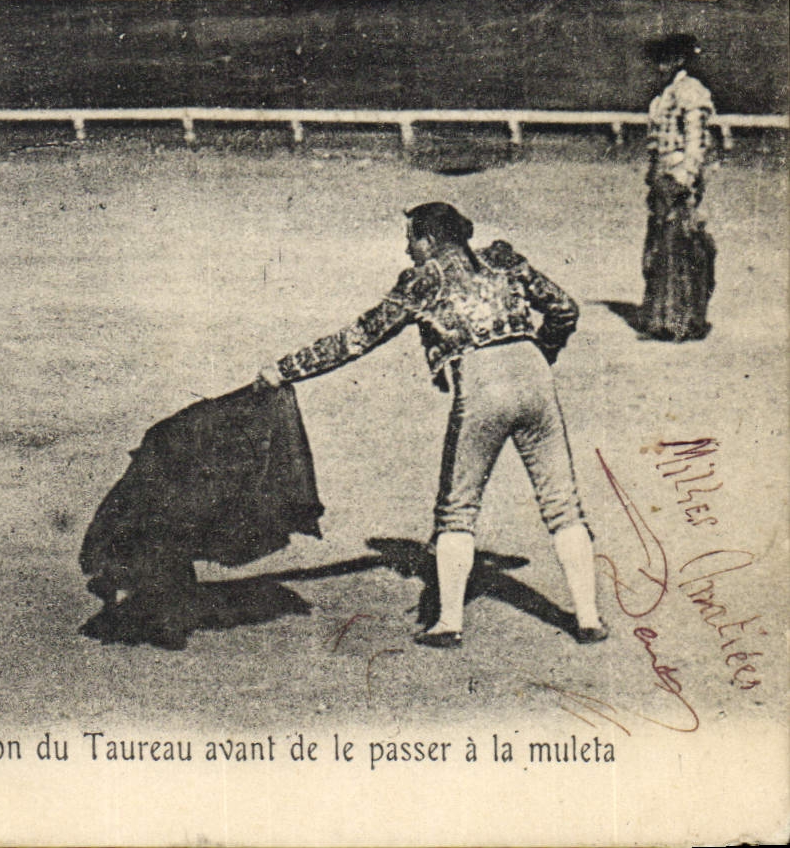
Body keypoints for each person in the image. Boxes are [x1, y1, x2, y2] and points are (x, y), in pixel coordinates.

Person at [258, 202, 607, 649]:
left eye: (411, 239)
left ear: (428, 239)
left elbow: (357, 338)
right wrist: (544, 351)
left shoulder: (423, 281)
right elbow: (564, 308)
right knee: (562, 503)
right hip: (534, 373)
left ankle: (447, 623)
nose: (407, 250)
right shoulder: (505, 259)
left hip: (481, 379)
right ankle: (589, 618)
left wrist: (286, 369)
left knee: (457, 508)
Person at [641, 33, 723, 341]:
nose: (659, 65)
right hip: (663, 176)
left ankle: (683, 321)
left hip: (678, 177)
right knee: (663, 246)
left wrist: (686, 177)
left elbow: (695, 141)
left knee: (683, 247)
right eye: (658, 59)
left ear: (678, 60)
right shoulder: (666, 93)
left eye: (665, 58)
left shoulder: (691, 92)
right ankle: (664, 320)